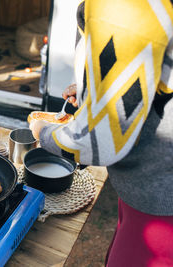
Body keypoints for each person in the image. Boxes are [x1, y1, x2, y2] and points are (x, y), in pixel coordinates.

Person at [30, 0, 173, 266]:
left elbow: (100, 141)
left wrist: (44, 132)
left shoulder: (124, 5)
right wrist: (94, 91)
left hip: (159, 200)